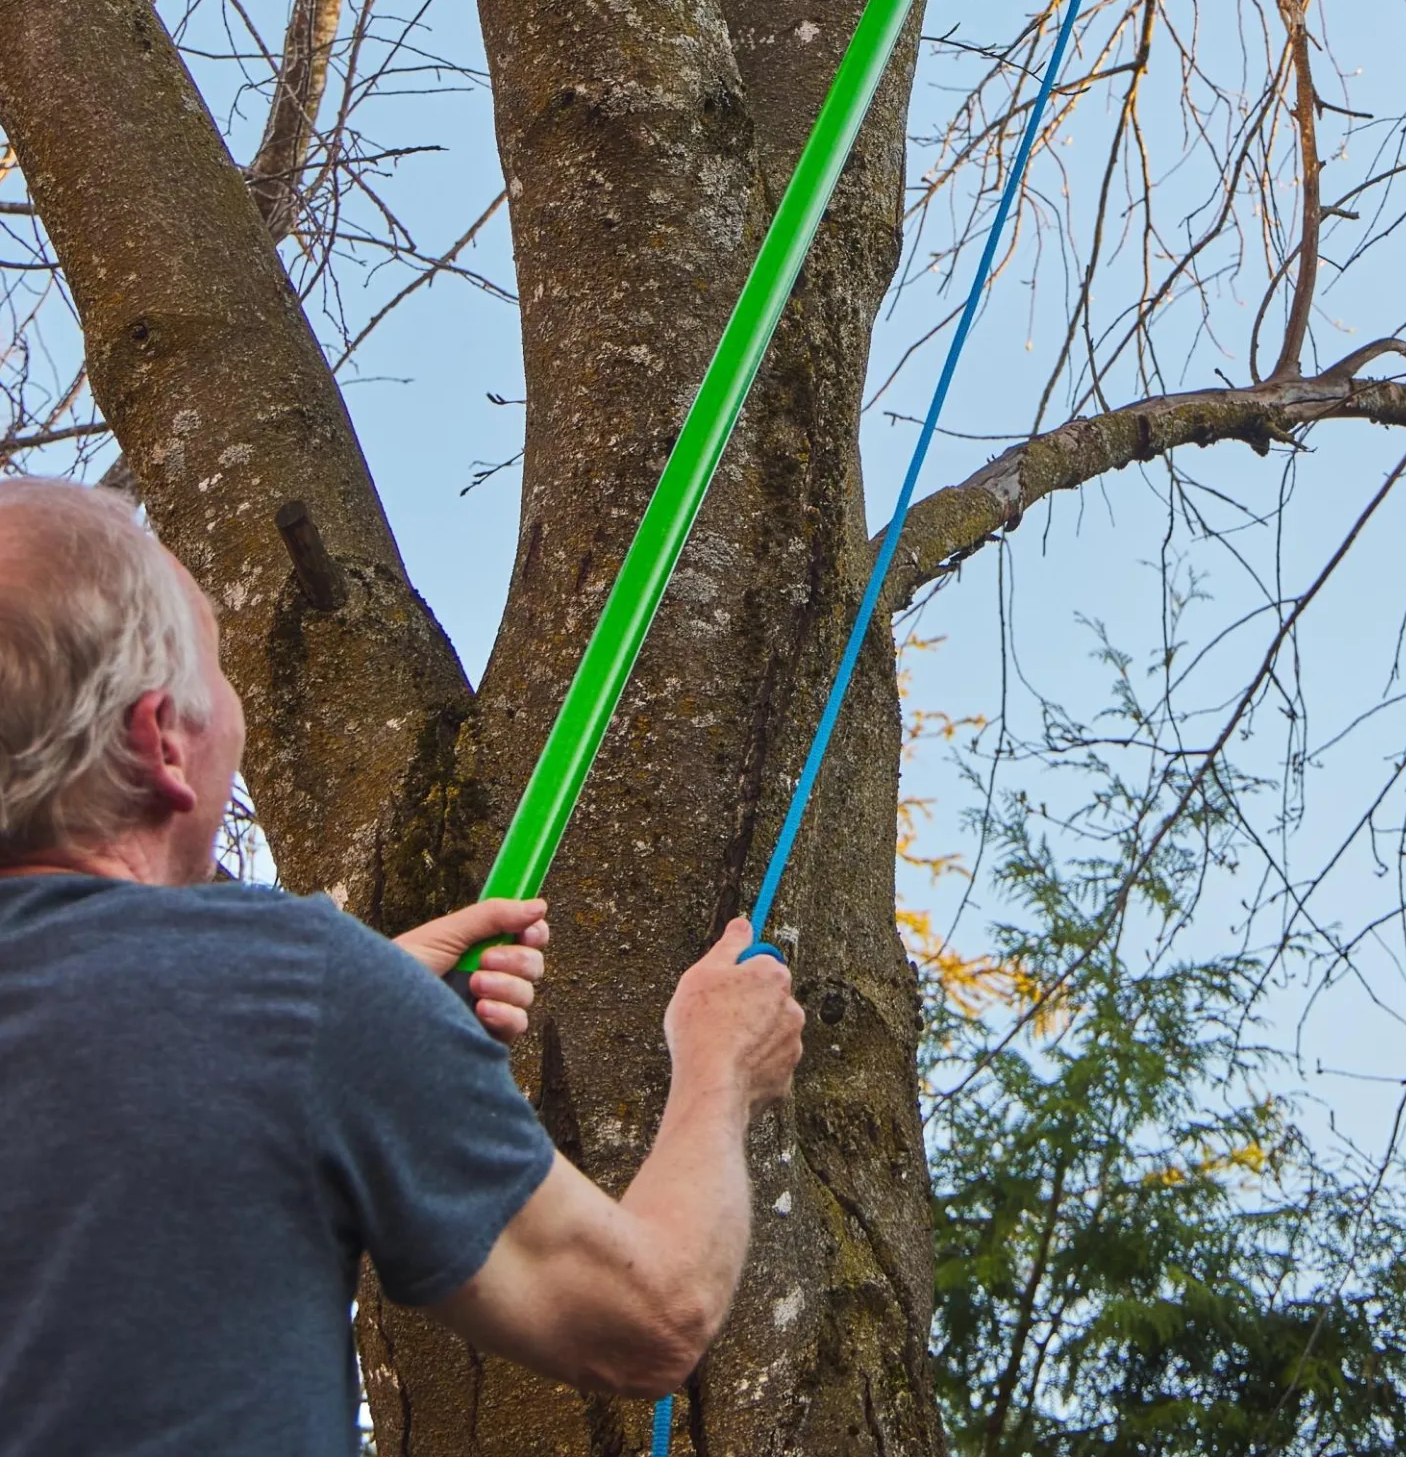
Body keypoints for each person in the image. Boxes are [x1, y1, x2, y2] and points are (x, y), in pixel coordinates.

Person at [0, 476, 804, 1454]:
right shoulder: (297, 986)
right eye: (220, 674)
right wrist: (722, 1063)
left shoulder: (298, 999)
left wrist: (353, 1012)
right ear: (163, 740)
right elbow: (649, 1317)